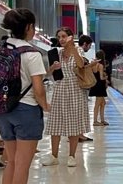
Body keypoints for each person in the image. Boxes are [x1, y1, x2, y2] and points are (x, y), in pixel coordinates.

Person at [0, 8, 50, 184]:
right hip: (25, 111)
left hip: (3, 111)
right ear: (28, 27)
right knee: (22, 164)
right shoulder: (31, 53)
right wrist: (46, 106)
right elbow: (38, 88)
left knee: (11, 162)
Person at [40, 27, 91, 167]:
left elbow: (81, 65)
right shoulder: (56, 53)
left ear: (70, 37)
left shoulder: (78, 51)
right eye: (59, 37)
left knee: (73, 124)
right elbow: (47, 74)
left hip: (75, 90)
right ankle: (54, 155)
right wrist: (52, 68)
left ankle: (72, 156)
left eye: (64, 36)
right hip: (60, 88)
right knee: (55, 122)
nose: (61, 39)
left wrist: (73, 48)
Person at [78, 35, 95, 142]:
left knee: (79, 110)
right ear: (85, 44)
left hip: (78, 85)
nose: (88, 48)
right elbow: (80, 67)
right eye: (89, 46)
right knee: (80, 110)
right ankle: (79, 135)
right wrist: (92, 64)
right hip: (79, 85)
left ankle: (78, 134)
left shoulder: (77, 51)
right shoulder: (79, 51)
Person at [89, 50, 109, 126]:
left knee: (103, 103)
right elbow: (101, 77)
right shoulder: (100, 65)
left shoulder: (93, 64)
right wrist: (105, 77)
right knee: (97, 104)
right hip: (100, 86)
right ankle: (95, 121)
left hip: (95, 85)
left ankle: (102, 120)